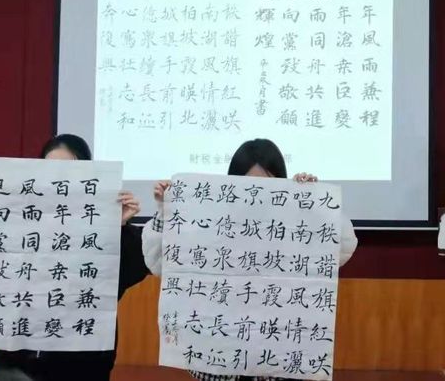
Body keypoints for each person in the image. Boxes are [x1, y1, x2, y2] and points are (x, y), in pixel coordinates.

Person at [0, 134, 149, 381]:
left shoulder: (98, 230)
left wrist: (117, 227)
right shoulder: (15, 224)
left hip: (84, 361)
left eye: (69, 170)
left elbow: (130, 271)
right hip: (17, 360)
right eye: (49, 169)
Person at [142, 138, 358, 381]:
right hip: (219, 360)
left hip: (276, 360)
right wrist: (166, 210)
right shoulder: (210, 220)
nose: (256, 195)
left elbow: (341, 250)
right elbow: (160, 264)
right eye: (248, 185)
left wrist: (316, 204)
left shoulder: (294, 224)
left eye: (267, 185)